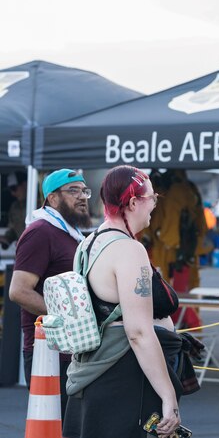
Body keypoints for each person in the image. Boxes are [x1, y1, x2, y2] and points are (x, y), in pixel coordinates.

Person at [62, 165, 193, 438]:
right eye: (152, 198)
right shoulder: (128, 250)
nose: (154, 206)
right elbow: (139, 333)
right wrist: (168, 395)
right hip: (123, 377)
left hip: (99, 372)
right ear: (134, 202)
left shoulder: (89, 242)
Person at [9, 168, 92, 424]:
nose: (82, 197)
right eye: (73, 191)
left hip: (73, 350)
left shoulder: (71, 233)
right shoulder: (40, 232)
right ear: (52, 199)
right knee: (56, 428)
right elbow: (19, 290)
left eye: (84, 191)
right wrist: (68, 319)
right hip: (48, 351)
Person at [0, 171, 27, 248]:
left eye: (14, 188)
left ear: (25, 185)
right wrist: (7, 239)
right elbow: (13, 229)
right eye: (10, 190)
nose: (12, 193)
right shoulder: (14, 207)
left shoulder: (41, 204)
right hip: (23, 252)